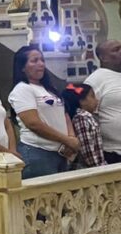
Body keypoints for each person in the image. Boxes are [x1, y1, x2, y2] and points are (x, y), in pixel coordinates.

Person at [8, 45, 78, 178]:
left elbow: (64, 114)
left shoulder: (49, 89)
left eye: (42, 60)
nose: (40, 64)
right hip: (38, 152)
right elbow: (33, 123)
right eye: (34, 61)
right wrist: (66, 140)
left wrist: (71, 138)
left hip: (60, 152)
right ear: (22, 67)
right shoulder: (22, 89)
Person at [62, 83, 105, 169]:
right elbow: (87, 151)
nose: (97, 100)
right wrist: (100, 168)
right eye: (92, 96)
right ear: (82, 101)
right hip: (90, 169)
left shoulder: (87, 117)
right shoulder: (82, 118)